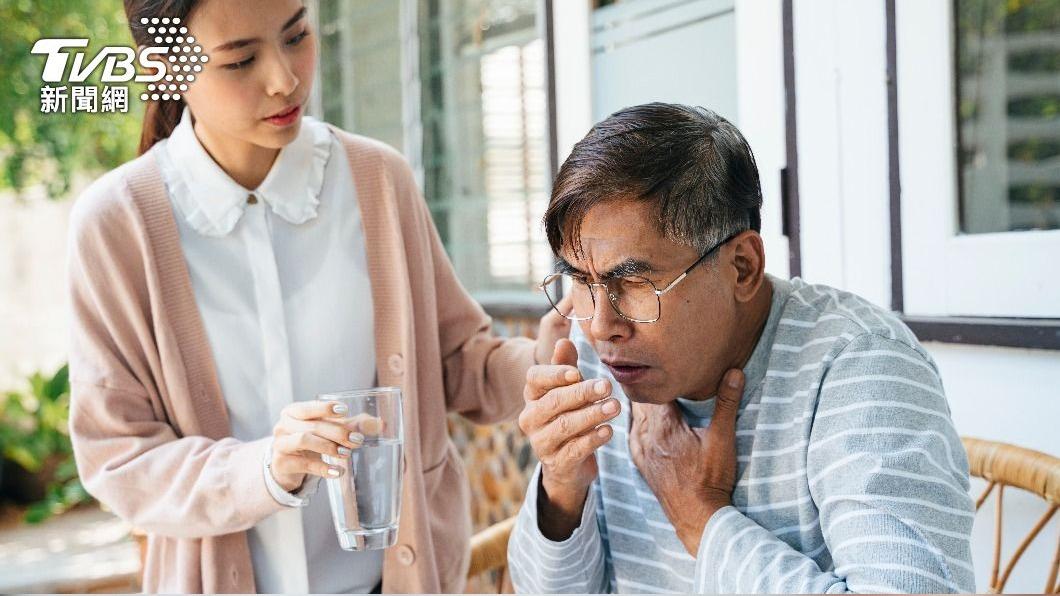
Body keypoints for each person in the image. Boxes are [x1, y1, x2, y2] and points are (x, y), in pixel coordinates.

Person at [66, 0, 568, 592]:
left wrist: (540, 366)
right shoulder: (118, 224)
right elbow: (118, 457)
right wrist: (265, 469)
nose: (284, 78)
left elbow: (457, 358)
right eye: (240, 60)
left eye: (297, 34)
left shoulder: (379, 182)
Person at [507, 103, 976, 593]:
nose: (602, 326)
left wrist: (703, 520)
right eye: (581, 281)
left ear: (742, 267)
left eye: (636, 283)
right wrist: (561, 488)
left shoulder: (862, 367)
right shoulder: (588, 351)